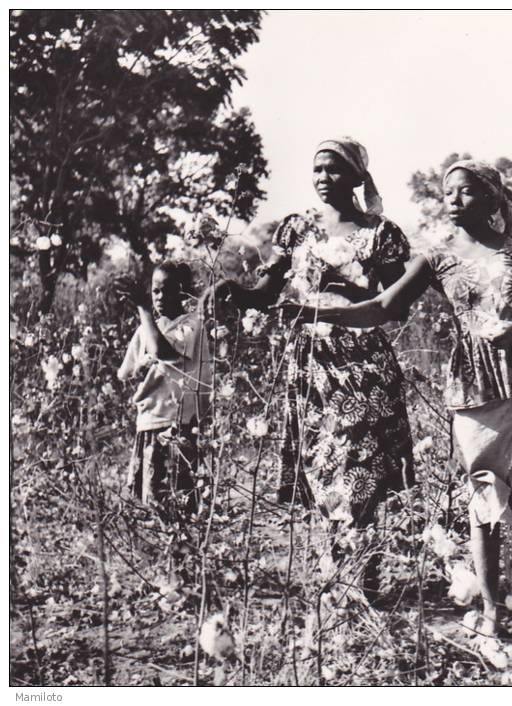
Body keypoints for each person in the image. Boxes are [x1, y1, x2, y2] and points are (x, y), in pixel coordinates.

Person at [279, 160, 512, 636]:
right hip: (473, 387)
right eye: (449, 192)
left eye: (467, 192)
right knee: (483, 493)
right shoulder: (436, 257)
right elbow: (384, 307)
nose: (454, 200)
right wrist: (313, 311)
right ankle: (492, 609)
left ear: (493, 199)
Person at [207, 138, 415, 595]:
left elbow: (394, 307)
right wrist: (231, 289)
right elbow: (266, 290)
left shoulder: (381, 234)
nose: (324, 178)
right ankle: (337, 574)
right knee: (323, 465)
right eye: (318, 169)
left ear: (359, 178)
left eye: (335, 170)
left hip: (362, 363)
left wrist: (342, 283)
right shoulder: (297, 230)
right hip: (309, 363)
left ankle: (361, 573)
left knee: (360, 464)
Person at [116, 261, 210, 525]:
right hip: (149, 423)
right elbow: (124, 373)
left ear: (183, 293)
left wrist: (143, 309)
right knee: (154, 503)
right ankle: (168, 559)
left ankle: (182, 559)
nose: (158, 297)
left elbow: (163, 351)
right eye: (155, 291)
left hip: (177, 426)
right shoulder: (146, 329)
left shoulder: (192, 325)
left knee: (179, 501)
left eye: (166, 291)